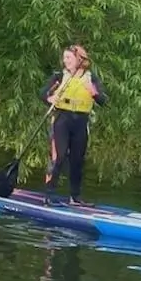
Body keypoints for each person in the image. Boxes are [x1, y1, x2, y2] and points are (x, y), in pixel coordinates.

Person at [41, 44, 106, 205]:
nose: (65, 61)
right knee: (60, 156)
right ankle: (49, 194)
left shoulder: (91, 78)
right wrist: (50, 98)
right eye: (64, 58)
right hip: (62, 119)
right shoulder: (59, 77)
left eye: (69, 58)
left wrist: (93, 92)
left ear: (79, 59)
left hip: (81, 122)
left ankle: (75, 197)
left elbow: (103, 100)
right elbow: (42, 93)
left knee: (77, 160)